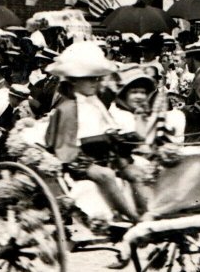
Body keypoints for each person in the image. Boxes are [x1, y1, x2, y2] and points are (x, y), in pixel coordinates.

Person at [43, 42, 148, 226]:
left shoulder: (95, 102)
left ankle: (148, 213)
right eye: (90, 79)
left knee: (134, 172)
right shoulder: (67, 107)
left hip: (103, 153)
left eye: (96, 78)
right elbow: (63, 145)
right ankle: (131, 217)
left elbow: (108, 126)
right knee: (106, 175)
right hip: (78, 160)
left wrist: (120, 138)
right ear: (74, 80)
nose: (95, 83)